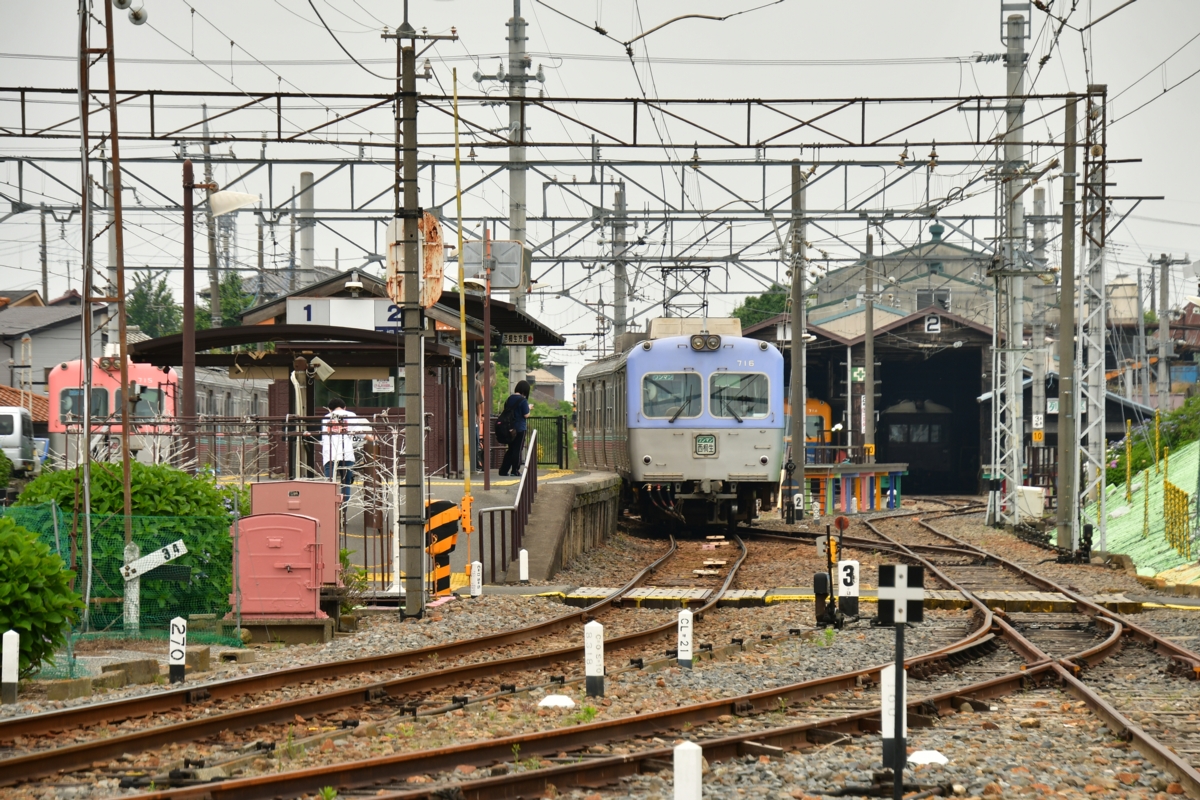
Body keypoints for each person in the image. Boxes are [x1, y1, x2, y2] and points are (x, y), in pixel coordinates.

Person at [320, 398, 374, 503]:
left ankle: (332, 508)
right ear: (344, 407)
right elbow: (359, 432)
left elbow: (323, 438)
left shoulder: (325, 418)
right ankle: (343, 508)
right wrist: (372, 438)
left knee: (329, 484)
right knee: (346, 483)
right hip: (346, 454)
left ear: (330, 409)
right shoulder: (351, 415)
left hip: (330, 455)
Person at [498, 380, 531, 477]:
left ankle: (503, 470)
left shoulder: (509, 399)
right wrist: (528, 408)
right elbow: (526, 415)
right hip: (520, 428)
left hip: (510, 428)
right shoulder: (523, 400)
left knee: (510, 449)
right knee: (517, 449)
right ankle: (515, 470)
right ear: (525, 390)